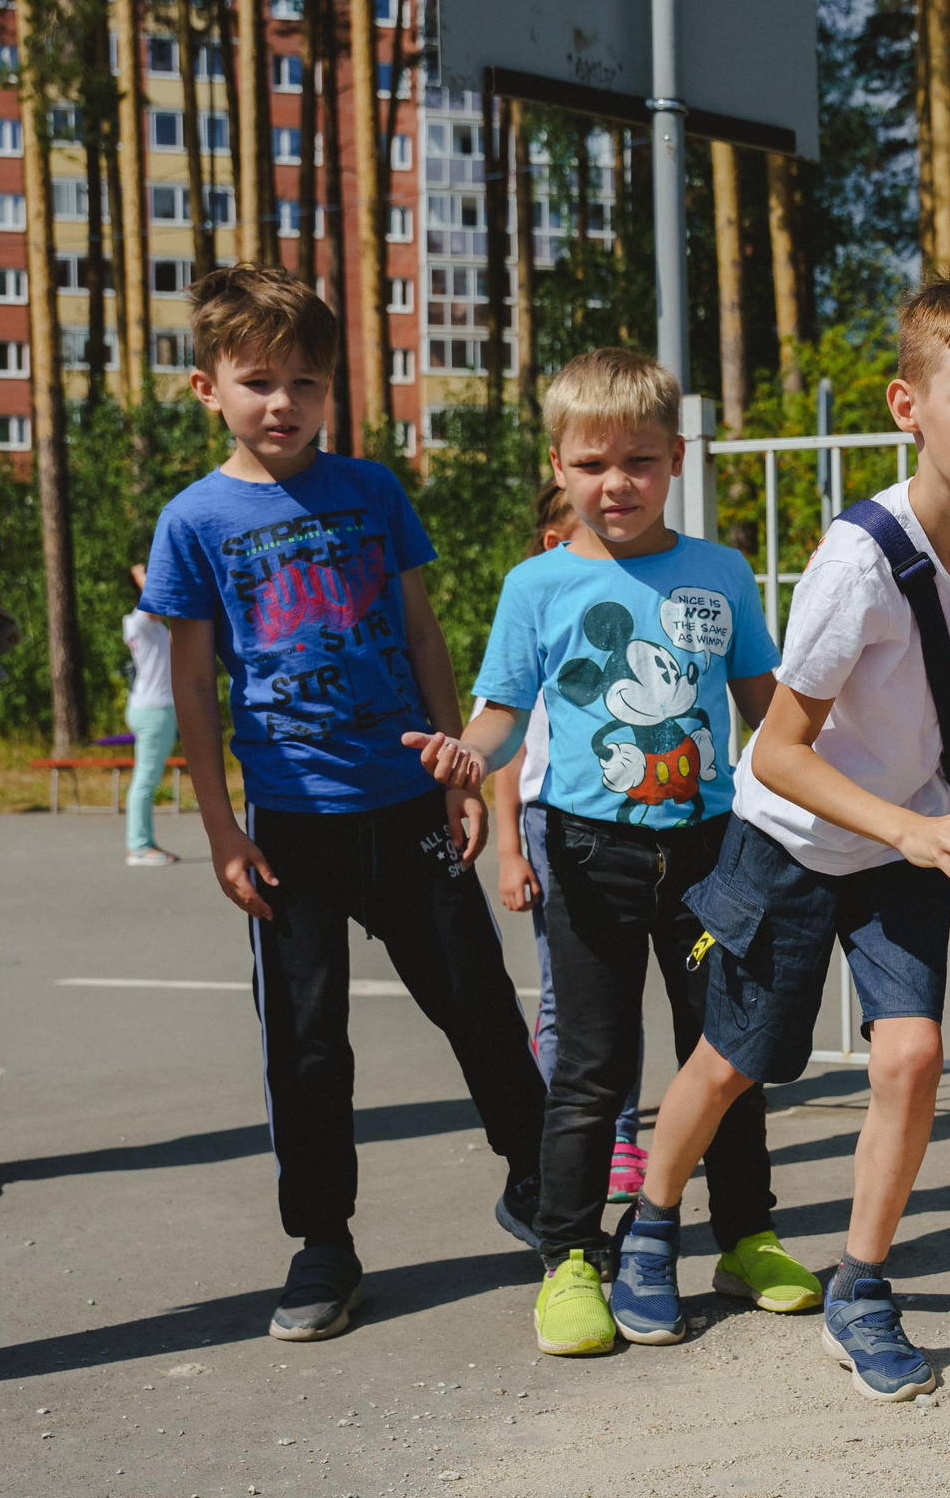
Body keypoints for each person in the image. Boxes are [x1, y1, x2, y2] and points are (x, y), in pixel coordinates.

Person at [609, 268, 950, 1398]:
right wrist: (906, 830)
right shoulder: (855, 562)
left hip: (906, 837)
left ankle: (860, 1287)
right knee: (730, 1064)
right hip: (794, 842)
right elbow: (775, 750)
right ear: (906, 405)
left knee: (909, 1056)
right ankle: (649, 1222)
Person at [141, 264, 548, 1342]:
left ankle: (543, 1188)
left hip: (407, 804)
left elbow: (420, 632)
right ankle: (323, 1244)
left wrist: (460, 764)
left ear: (333, 392)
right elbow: (190, 682)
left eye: (306, 382)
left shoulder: (371, 492)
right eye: (259, 381)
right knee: (309, 1045)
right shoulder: (195, 521)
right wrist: (222, 829)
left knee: (480, 1007)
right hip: (290, 829)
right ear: (207, 390)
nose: (284, 403)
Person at [412, 349, 809, 1358]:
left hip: (714, 852)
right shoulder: (534, 584)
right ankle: (568, 1258)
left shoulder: (719, 572)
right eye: (592, 464)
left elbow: (769, 708)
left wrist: (846, 766)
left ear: (675, 458)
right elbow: (502, 718)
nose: (616, 483)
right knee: (591, 1070)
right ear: (560, 464)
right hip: (586, 852)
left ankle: (746, 1235)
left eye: (638, 460)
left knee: (724, 1056)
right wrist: (468, 756)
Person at [488, 487, 649, 1206]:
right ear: (550, 540)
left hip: (631, 826)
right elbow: (506, 753)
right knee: (565, 999)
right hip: (548, 828)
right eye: (565, 537)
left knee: (622, 997)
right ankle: (564, 1128)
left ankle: (619, 1134)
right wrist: (509, 853)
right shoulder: (537, 621)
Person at [121, 564, 180, 865]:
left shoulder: (153, 626)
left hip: (154, 707)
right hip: (153, 709)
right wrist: (143, 574)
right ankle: (139, 847)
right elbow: (156, 600)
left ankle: (144, 844)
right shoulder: (139, 622)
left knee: (146, 779)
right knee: (145, 781)